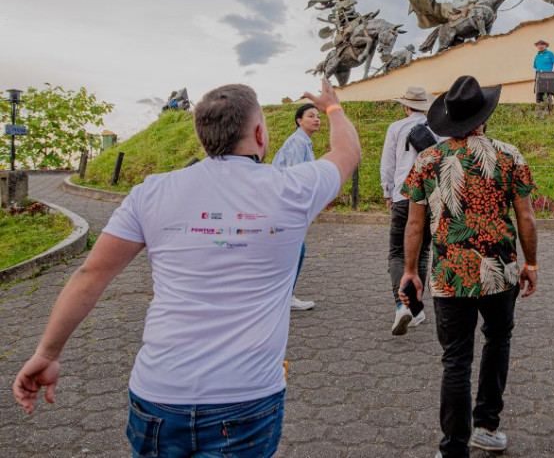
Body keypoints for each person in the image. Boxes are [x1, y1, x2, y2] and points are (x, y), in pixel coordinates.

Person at [12, 80, 360, 457]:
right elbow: (347, 151)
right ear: (260, 134)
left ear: (202, 136)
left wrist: (47, 354)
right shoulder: (294, 187)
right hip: (247, 396)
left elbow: (90, 276)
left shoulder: (153, 191)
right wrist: (333, 108)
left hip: (158, 392)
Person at [398, 75, 538, 458]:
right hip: (500, 271)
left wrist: (411, 271)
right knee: (497, 340)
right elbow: (525, 216)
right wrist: (533, 264)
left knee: (456, 359)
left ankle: (453, 448)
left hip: (447, 274)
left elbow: (414, 223)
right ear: (484, 117)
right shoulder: (509, 155)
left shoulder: (428, 160)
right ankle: (487, 426)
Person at [380, 86, 437, 335]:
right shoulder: (438, 129)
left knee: (396, 253)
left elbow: (388, 162)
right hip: (428, 196)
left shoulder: (396, 128)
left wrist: (387, 191)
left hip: (403, 194)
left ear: (406, 106)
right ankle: (415, 309)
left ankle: (401, 307)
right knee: (422, 252)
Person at [271, 102, 323, 311]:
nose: (317, 119)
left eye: (318, 116)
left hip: (286, 204)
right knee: (295, 249)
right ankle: (284, 296)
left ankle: (281, 295)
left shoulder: (304, 142)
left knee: (293, 250)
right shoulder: (297, 143)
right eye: (311, 116)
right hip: (284, 204)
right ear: (299, 120)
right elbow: (293, 176)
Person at [533, 39, 554, 104]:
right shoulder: (537, 56)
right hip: (539, 76)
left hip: (548, 76)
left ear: (545, 46)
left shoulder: (550, 54)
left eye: (542, 44)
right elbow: (535, 67)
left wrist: (553, 73)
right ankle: (539, 104)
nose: (540, 46)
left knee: (548, 92)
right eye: (539, 45)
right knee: (539, 92)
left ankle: (549, 105)